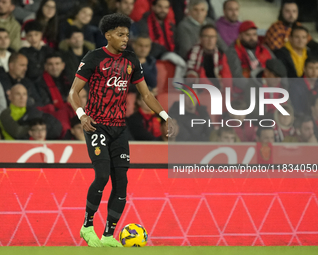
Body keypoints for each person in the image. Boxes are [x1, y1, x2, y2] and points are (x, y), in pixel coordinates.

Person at [68, 13, 175, 247]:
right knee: (102, 175)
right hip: (95, 125)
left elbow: (146, 94)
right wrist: (82, 115)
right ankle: (87, 227)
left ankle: (108, 236)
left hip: (119, 129)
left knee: (121, 183)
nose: (125, 38)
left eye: (127, 34)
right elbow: (73, 92)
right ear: (108, 35)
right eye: (120, 34)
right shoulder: (94, 58)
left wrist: (166, 116)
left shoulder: (131, 61)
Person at [226, 20, 274, 98]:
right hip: (246, 92)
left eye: (254, 34)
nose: (252, 38)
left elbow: (278, 69)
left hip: (268, 87)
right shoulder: (233, 51)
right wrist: (255, 91)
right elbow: (237, 76)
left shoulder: (264, 49)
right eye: (248, 35)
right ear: (240, 36)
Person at [186, 24, 232, 91]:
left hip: (220, 90)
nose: (210, 40)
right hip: (201, 90)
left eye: (213, 37)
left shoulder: (220, 54)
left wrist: (227, 90)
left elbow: (226, 74)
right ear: (200, 38)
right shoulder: (193, 54)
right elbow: (199, 78)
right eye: (207, 37)